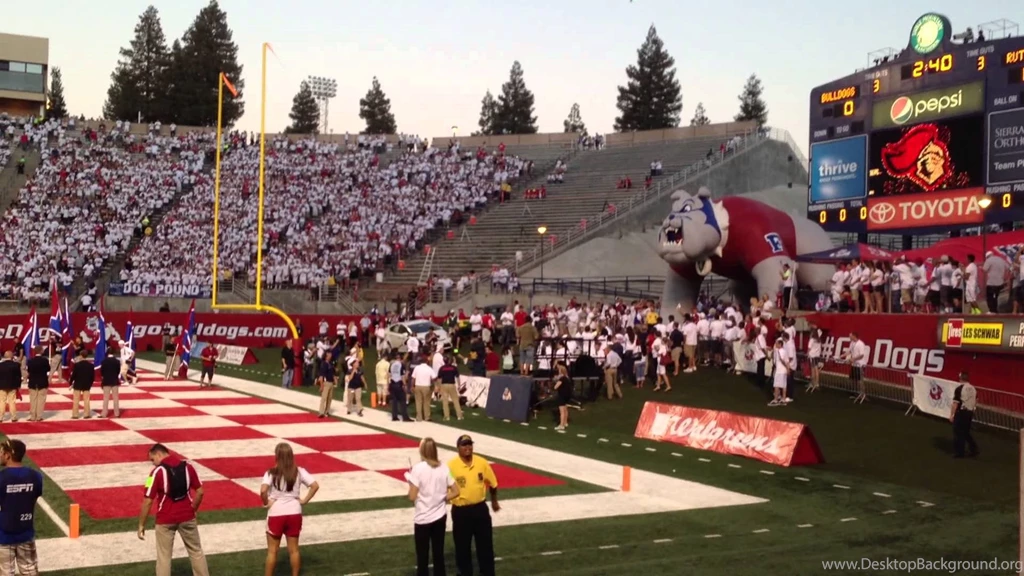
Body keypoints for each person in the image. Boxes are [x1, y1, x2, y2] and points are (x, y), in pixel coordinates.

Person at [138, 443, 210, 576]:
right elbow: (200, 492)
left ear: (158, 454)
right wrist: (193, 509)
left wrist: (141, 524)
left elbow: (148, 500)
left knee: (164, 558)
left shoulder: (156, 473)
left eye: (152, 460)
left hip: (165, 519)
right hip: (187, 516)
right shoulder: (188, 467)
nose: (153, 464)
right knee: (196, 552)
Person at [261, 442, 320, 576]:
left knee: (272, 551)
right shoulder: (299, 471)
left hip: (276, 513)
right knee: (294, 550)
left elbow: (263, 491)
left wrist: (266, 503)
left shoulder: (271, 473)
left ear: (277, 456)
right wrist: (304, 500)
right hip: (294, 512)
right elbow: (315, 486)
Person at [448, 434, 499, 576]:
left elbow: (493, 483)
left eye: (470, 444)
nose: (468, 447)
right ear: (458, 447)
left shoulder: (481, 462)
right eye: (464, 445)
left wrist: (494, 501)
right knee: (462, 548)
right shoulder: (451, 465)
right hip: (460, 511)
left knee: (486, 547)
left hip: (480, 509)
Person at [408, 438, 460, 576]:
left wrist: (410, 482)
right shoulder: (445, 468)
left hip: (423, 518)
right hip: (440, 517)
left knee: (422, 558)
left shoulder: (417, 469)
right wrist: (442, 498)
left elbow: (412, 496)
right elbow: (456, 491)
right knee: (438, 555)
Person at [0, 439, 43, 575]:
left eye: (1, 452)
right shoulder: (36, 476)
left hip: (4, 534)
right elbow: (34, 498)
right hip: (26, 531)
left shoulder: (1, 477)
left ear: (8, 455)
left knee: (5, 572)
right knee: (29, 570)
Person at [950, 372, 979, 458]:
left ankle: (960, 452)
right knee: (965, 432)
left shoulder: (960, 388)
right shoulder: (973, 388)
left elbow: (955, 403)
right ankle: (974, 448)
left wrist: (952, 415)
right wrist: (973, 408)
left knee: (958, 432)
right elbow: (977, 399)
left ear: (961, 378)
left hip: (961, 412)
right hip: (969, 412)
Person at [25, 347, 50, 422]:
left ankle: (33, 416)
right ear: (41, 351)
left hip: (32, 382)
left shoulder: (30, 361)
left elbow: (29, 370)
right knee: (41, 400)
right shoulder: (45, 360)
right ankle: (39, 416)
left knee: (33, 400)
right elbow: (48, 369)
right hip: (43, 382)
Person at [70, 348, 95, 419]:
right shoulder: (90, 365)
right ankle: (86, 414)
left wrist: (70, 382)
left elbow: (73, 375)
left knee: (76, 400)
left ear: (81, 355)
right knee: (86, 400)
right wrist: (90, 384)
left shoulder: (77, 365)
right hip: (87, 384)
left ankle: (75, 415)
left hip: (77, 384)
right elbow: (92, 377)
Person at [436, 355, 463, 421]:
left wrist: (439, 387)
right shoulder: (454, 368)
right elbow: (457, 377)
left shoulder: (441, 368)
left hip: (444, 385)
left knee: (445, 401)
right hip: (451, 385)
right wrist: (459, 385)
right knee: (455, 400)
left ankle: (446, 416)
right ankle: (459, 416)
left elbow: (439, 379)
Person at [389, 351, 412, 422]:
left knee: (394, 401)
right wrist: (404, 385)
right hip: (399, 384)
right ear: (400, 359)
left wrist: (388, 385)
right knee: (402, 401)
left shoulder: (392, 365)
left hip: (392, 383)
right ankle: (405, 417)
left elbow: (389, 375)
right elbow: (402, 377)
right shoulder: (401, 365)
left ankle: (394, 416)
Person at [100, 347, 122, 418]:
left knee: (106, 398)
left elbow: (102, 372)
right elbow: (118, 371)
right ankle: (117, 413)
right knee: (115, 398)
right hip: (115, 381)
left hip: (106, 380)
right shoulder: (117, 361)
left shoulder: (104, 361)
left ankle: (104, 413)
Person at [0, 351, 20, 423]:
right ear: (12, 357)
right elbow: (18, 377)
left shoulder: (0, 365)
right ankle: (13, 417)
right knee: (12, 402)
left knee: (2, 401)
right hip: (12, 386)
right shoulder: (16, 365)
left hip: (1, 386)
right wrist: (18, 386)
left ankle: (0, 417)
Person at [316, 352, 337, 418]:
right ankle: (321, 412)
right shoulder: (324, 364)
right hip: (326, 382)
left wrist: (335, 380)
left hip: (331, 383)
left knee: (329, 398)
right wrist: (321, 385)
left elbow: (333, 373)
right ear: (326, 356)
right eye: (329, 355)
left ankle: (327, 411)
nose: (330, 355)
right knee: (324, 398)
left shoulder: (330, 364)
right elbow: (321, 376)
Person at [554, 361, 572, 430]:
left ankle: (561, 425)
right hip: (567, 396)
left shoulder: (562, 379)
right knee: (565, 409)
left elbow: (555, 387)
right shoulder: (567, 378)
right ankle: (565, 422)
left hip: (562, 396)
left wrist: (556, 381)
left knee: (562, 411)